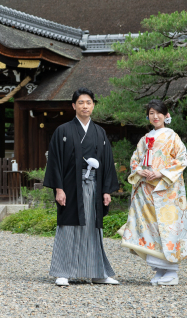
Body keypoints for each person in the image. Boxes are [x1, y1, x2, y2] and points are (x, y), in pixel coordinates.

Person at [44, 88, 119, 287]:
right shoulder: (63, 131)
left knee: (93, 228)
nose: (85, 106)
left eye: (88, 102)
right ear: (73, 106)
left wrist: (106, 190)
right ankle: (63, 271)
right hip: (70, 187)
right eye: (81, 102)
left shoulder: (99, 132)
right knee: (68, 227)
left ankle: (97, 272)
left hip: (94, 186)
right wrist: (59, 189)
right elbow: (55, 162)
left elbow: (107, 162)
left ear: (93, 105)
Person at [119, 99, 187, 286]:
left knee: (167, 228)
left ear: (166, 116)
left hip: (166, 190)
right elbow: (135, 159)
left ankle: (172, 271)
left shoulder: (172, 136)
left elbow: (182, 159)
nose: (155, 116)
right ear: (148, 116)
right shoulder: (145, 139)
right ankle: (160, 269)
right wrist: (139, 171)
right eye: (151, 113)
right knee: (151, 228)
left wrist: (160, 172)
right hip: (146, 190)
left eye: (159, 112)